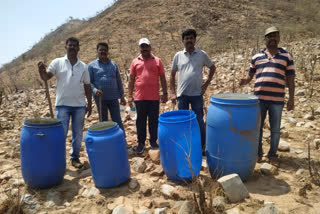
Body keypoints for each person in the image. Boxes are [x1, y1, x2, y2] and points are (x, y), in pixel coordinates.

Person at [240, 26, 295, 162]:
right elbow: (250, 76)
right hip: (259, 100)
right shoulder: (256, 57)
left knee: (275, 129)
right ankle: (258, 153)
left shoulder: (286, 56)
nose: (272, 38)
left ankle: (272, 155)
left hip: (277, 100)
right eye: (269, 36)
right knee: (257, 128)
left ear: (279, 38)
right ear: (265, 39)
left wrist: (291, 99)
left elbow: (291, 79)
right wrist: (245, 81)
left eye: (275, 35)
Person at [38, 37, 92, 169]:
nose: (72, 47)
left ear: (78, 48)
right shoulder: (57, 62)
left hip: (79, 105)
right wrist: (41, 71)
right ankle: (58, 159)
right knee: (60, 133)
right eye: (70, 45)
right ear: (65, 47)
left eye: (75, 46)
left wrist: (89, 104)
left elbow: (87, 86)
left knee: (78, 133)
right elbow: (46, 77)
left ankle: (75, 158)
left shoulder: (83, 66)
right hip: (62, 105)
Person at [170, 29, 216, 151]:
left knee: (199, 120)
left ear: (195, 40)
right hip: (182, 95)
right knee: (183, 122)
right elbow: (172, 74)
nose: (189, 40)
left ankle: (202, 146)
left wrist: (206, 83)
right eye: (186, 38)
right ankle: (185, 146)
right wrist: (173, 92)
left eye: (191, 38)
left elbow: (212, 67)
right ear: (182, 41)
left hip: (197, 94)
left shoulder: (202, 54)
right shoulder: (178, 56)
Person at [128, 38, 168, 154]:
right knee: (140, 121)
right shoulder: (135, 62)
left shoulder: (157, 61)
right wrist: (130, 95)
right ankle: (140, 143)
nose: (144, 48)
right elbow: (131, 80)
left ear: (150, 47)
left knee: (153, 121)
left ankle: (153, 142)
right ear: (140, 48)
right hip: (139, 97)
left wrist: (165, 93)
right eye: (142, 46)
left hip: (154, 97)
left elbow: (163, 78)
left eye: (146, 46)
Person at [88, 42, 126, 134]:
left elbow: (118, 81)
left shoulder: (113, 65)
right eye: (101, 50)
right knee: (103, 121)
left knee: (117, 119)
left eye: (105, 50)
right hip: (100, 98)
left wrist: (122, 96)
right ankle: (105, 141)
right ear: (97, 51)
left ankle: (121, 140)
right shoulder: (92, 65)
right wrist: (95, 90)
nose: (103, 51)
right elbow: (89, 82)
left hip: (113, 97)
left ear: (108, 52)